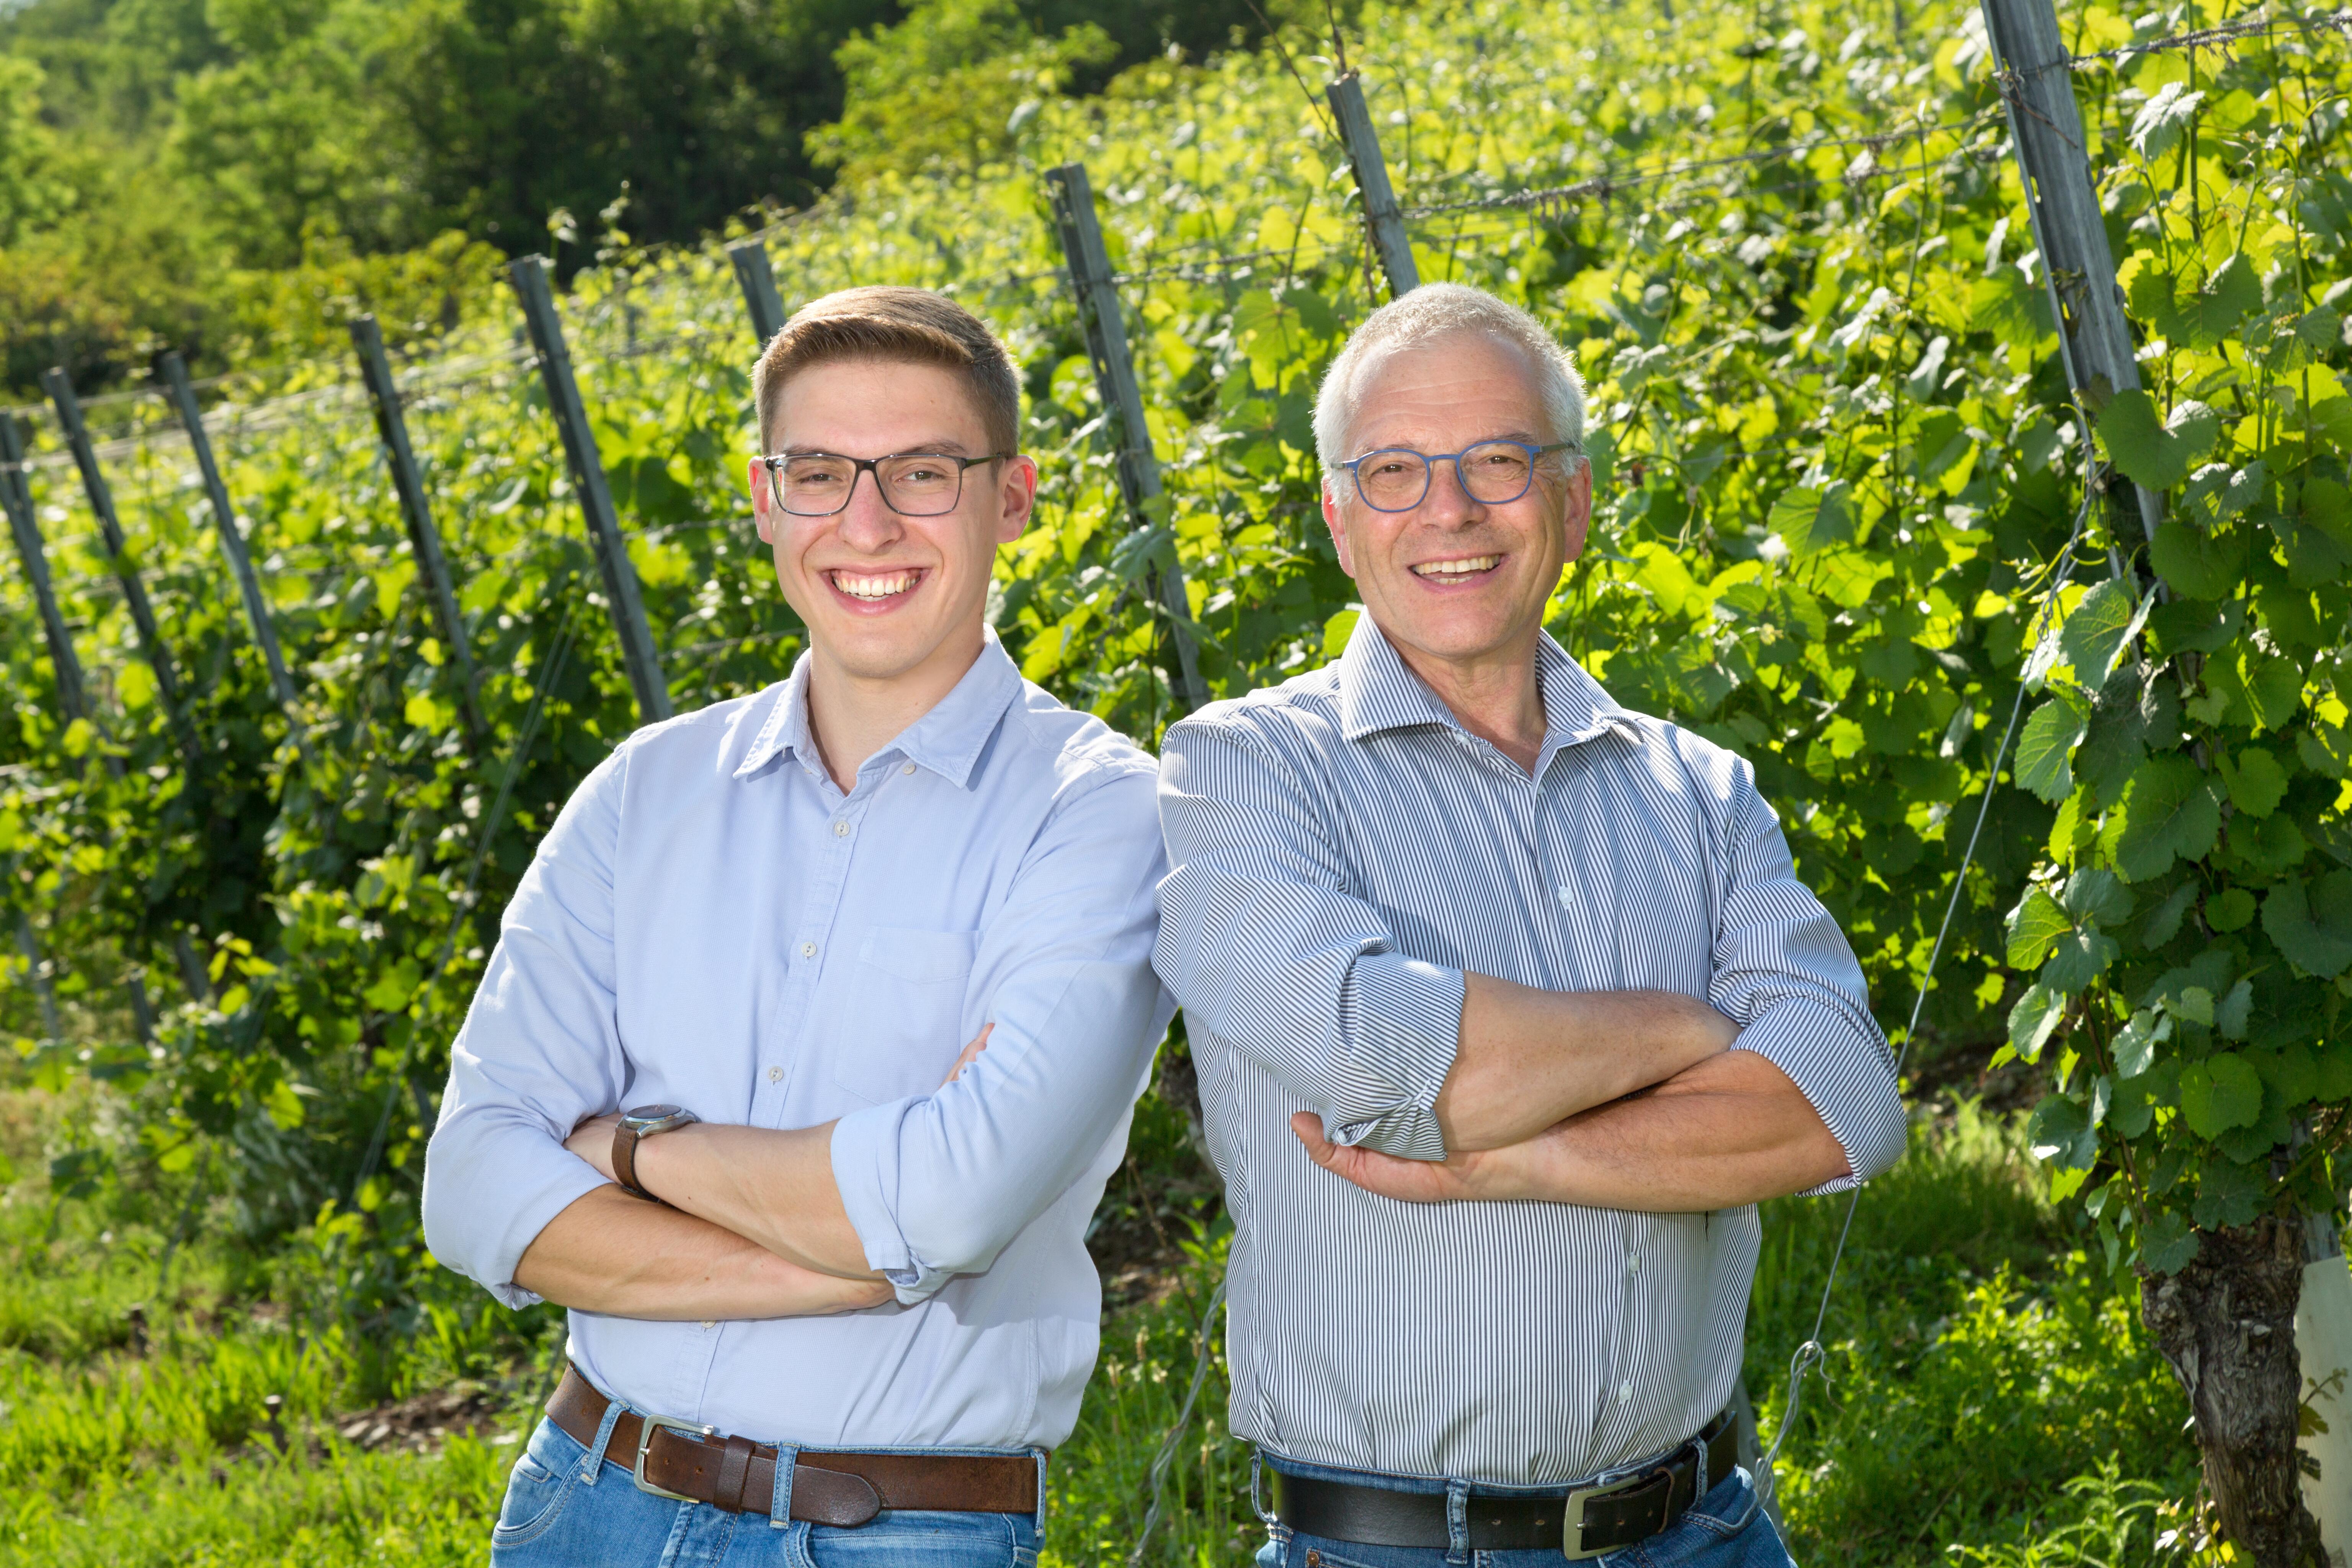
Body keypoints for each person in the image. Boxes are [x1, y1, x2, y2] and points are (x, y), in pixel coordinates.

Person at [1152, 283, 1905, 1567]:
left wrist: (1507, 1157)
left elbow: (1842, 1106)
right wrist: (1687, 1028)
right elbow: (1385, 1073)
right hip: (1398, 1549)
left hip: (1709, 1531)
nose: (1447, 511)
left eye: (1497, 462)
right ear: (1339, 518)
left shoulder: (1699, 789)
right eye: (1392, 472)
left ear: (1574, 500)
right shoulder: (1242, 771)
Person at [423, 286, 1174, 1568]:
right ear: (767, 501)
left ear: (1015, 497)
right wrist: (867, 1258)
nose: (865, 524)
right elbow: (475, 1187)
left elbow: (955, 1202)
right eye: (819, 474)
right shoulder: (643, 794)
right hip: (584, 1504)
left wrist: (630, 1149)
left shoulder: (1102, 818)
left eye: (923, 472)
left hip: (895, 1535)